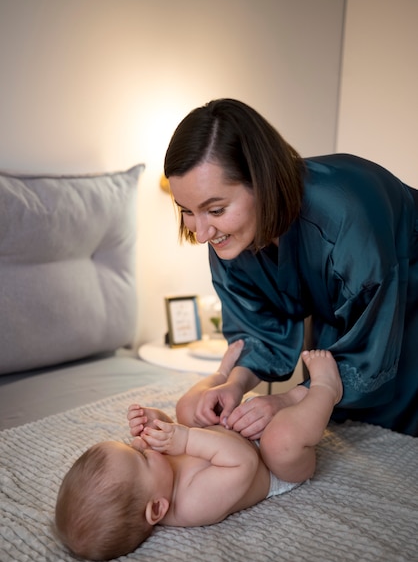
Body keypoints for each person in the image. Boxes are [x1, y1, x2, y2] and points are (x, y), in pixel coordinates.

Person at [164, 98, 418, 446]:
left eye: (216, 209)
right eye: (187, 211)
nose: (201, 233)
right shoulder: (229, 234)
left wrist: (287, 399)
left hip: (405, 299)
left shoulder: (345, 216)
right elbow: (258, 326)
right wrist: (233, 384)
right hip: (353, 312)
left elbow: (368, 352)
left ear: (261, 182)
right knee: (337, 430)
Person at [54, 346, 342, 561]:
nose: (141, 444)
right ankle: (326, 389)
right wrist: (187, 439)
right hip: (273, 467)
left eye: (130, 445)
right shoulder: (193, 505)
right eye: (140, 456)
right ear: (157, 509)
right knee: (282, 441)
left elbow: (175, 437)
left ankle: (220, 374)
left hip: (229, 433)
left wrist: (155, 421)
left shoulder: (156, 483)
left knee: (187, 408)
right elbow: (243, 461)